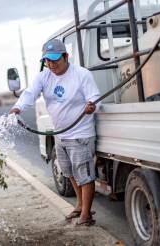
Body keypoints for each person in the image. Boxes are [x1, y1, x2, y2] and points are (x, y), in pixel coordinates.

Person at [9, 39, 100, 226]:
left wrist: (92, 107)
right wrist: (17, 108)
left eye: (55, 60)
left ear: (66, 57)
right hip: (60, 134)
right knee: (69, 173)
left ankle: (86, 215)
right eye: (47, 61)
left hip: (80, 133)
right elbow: (30, 94)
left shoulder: (82, 75)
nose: (51, 64)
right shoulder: (44, 76)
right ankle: (80, 205)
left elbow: (95, 98)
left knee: (84, 175)